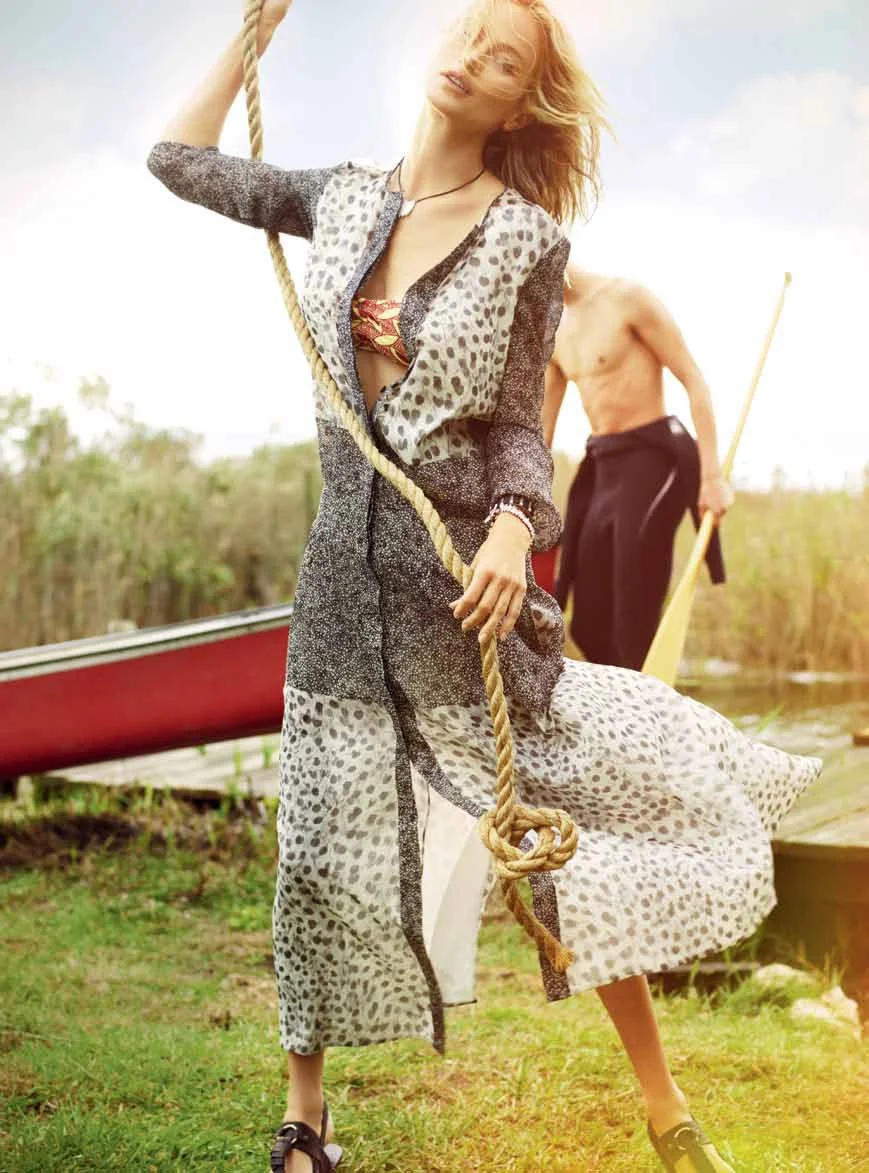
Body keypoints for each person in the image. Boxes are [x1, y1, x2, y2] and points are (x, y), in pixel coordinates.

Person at [147, 2, 820, 1170]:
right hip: (343, 591)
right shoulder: (340, 196)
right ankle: (303, 1124)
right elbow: (176, 161)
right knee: (317, 844)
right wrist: (251, 38)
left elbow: (518, 424)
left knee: (550, 841)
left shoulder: (525, 239)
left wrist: (517, 526)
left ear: (519, 102)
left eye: (503, 59)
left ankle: (665, 1110)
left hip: (468, 591)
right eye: (467, 34)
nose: (471, 57)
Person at [544, 262, 735, 669]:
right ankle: (624, 707)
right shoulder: (550, 324)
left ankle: (647, 713)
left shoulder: (627, 300)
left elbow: (694, 380)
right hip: (603, 464)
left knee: (633, 616)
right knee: (587, 625)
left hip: (655, 460)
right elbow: (539, 433)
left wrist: (711, 477)